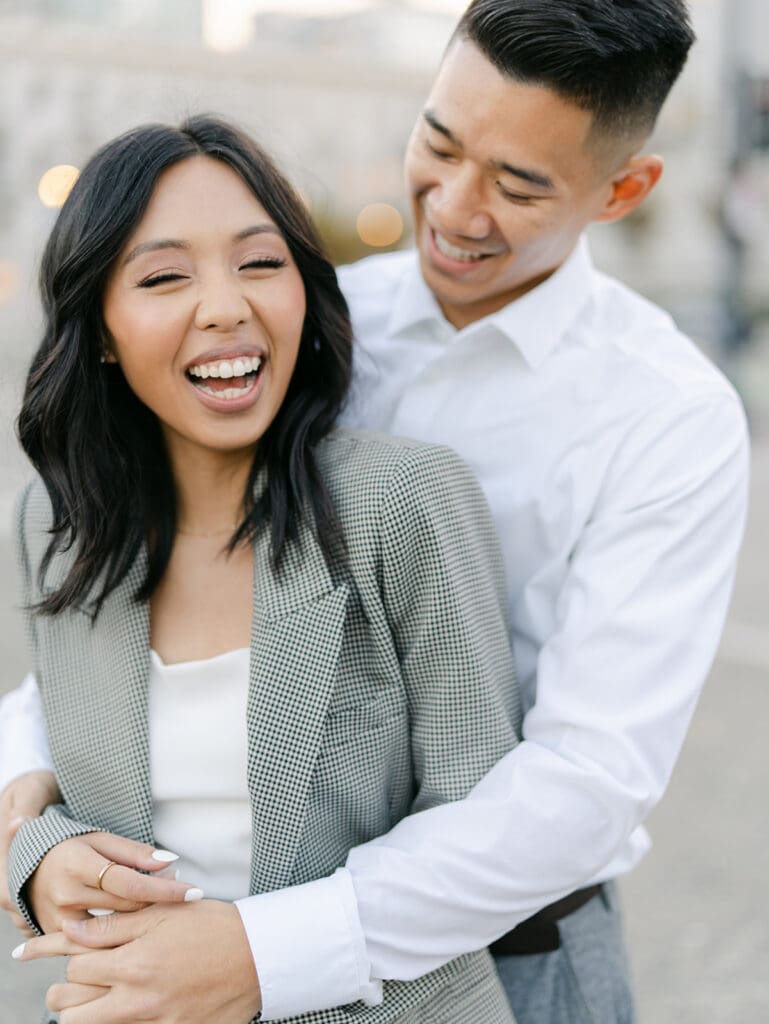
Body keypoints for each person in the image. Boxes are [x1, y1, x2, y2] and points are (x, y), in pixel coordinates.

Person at [1, 1, 750, 1022]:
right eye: (438, 143)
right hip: (219, 927)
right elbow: (132, 612)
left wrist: (264, 953)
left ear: (622, 189)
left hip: (510, 948)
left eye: (518, 184)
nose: (453, 204)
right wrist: (31, 818)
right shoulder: (311, 325)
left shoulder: (665, 417)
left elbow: (587, 780)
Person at [4, 115, 522, 1024]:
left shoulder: (403, 503)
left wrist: (260, 961)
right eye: (164, 277)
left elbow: (486, 836)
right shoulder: (57, 523)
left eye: (259, 262)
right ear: (101, 333)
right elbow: (45, 735)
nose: (224, 306)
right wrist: (37, 859)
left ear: (304, 291)